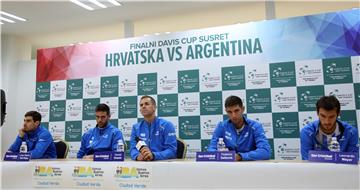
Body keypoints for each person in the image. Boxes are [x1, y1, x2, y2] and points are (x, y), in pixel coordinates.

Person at [208, 95, 271, 161]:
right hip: (227, 167)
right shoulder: (221, 126)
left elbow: (265, 152)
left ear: (243, 109)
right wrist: (222, 155)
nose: (233, 115)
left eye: (236, 110)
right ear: (226, 111)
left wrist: (240, 156)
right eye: (230, 112)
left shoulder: (255, 126)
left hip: (249, 167)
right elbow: (211, 149)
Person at [300, 96, 359, 160]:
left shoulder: (351, 132)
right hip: (316, 170)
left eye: (331, 117)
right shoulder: (307, 132)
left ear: (338, 114)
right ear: (317, 113)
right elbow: (307, 163)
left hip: (342, 170)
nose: (327, 122)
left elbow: (353, 161)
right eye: (323, 116)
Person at [130, 95, 177, 161]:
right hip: (142, 164)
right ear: (140, 110)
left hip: (162, 164)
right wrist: (137, 156)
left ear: (154, 107)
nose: (143, 106)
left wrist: (154, 155)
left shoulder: (167, 125)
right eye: (141, 105)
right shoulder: (136, 128)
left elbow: (172, 150)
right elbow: (133, 149)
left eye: (147, 104)